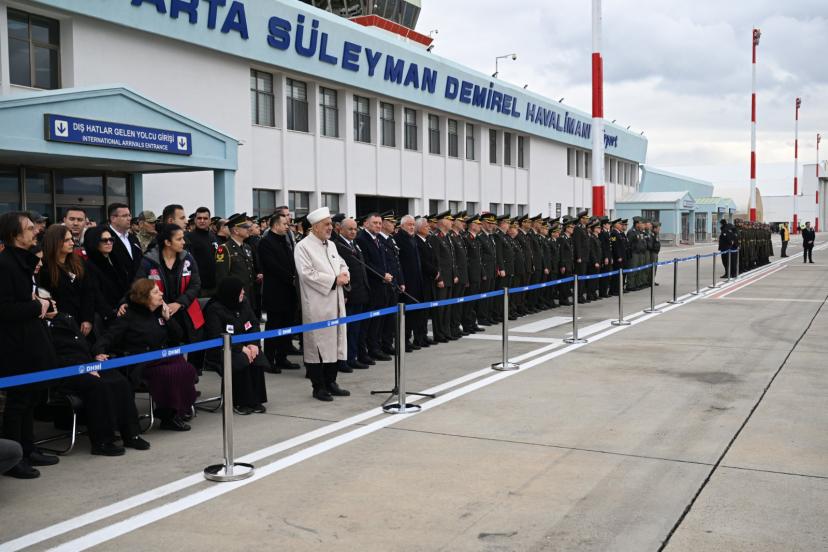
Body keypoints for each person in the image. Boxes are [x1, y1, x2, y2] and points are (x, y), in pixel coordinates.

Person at [0, 212, 60, 478]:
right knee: (18, 402)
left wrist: (42, 306)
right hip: (15, 345)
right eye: (28, 228)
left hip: (31, 340)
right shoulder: (5, 265)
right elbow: (5, 309)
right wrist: (38, 306)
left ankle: (28, 448)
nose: (35, 231)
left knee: (32, 397)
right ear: (14, 235)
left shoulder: (23, 261)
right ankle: (14, 459)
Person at [94, 279, 197, 431]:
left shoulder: (159, 313)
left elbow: (178, 336)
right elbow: (108, 336)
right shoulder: (129, 315)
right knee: (169, 373)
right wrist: (99, 352)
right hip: (142, 363)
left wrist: (168, 319)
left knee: (187, 369)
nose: (161, 293)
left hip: (163, 357)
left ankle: (178, 410)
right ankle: (169, 415)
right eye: (156, 292)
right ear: (144, 297)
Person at [47, 311, 150, 455]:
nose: (53, 302)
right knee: (98, 385)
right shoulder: (42, 327)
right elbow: (50, 357)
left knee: (120, 381)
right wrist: (81, 367)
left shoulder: (65, 319)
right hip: (65, 372)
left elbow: (81, 346)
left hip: (86, 364)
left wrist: (93, 357)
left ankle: (131, 434)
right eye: (48, 301)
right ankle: (102, 442)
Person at [294, 207, 350, 401]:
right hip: (317, 304)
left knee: (335, 344)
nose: (330, 228)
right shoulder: (303, 246)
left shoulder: (331, 245)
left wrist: (345, 274)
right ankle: (318, 387)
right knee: (317, 347)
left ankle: (331, 382)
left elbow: (342, 264)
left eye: (330, 224)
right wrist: (334, 280)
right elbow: (307, 274)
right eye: (326, 224)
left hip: (336, 302)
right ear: (315, 227)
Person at [203, 277, 268, 414]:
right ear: (231, 292)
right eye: (240, 290)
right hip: (222, 349)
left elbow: (253, 324)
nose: (243, 292)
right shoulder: (214, 309)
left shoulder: (244, 303)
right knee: (241, 359)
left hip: (245, 345)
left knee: (257, 356)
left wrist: (253, 344)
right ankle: (240, 401)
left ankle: (256, 399)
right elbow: (216, 335)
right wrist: (240, 348)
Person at [133, 224, 204, 346]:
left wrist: (179, 303)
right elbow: (139, 286)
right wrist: (161, 305)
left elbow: (195, 285)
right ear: (167, 242)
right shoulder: (149, 261)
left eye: (183, 238)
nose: (183, 242)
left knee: (192, 349)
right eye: (179, 239)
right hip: (158, 315)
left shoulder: (188, 258)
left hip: (186, 313)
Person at [259, 212, 301, 371]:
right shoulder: (266, 242)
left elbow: (291, 261)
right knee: (274, 327)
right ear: (276, 225)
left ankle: (282, 358)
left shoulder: (285, 240)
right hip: (275, 292)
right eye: (284, 224)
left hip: (289, 292)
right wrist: (291, 278)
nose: (287, 227)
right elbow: (272, 266)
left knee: (287, 326)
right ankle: (269, 360)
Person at [38, 224, 97, 338]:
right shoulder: (44, 268)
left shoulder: (78, 262)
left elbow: (88, 291)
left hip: (81, 322)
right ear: (55, 242)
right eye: (66, 240)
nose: (72, 243)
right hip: (60, 326)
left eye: (71, 239)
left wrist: (87, 319)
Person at [355, 213, 393, 360]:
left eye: (379, 223)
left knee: (378, 321)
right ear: (366, 224)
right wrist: (382, 274)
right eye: (375, 223)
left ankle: (375, 348)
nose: (378, 226)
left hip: (382, 286)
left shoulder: (378, 239)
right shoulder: (362, 239)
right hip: (371, 286)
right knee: (368, 323)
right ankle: (365, 351)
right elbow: (366, 263)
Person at [334, 217, 371, 369]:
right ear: (340, 229)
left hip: (360, 293)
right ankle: (343, 360)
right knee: (346, 330)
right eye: (350, 229)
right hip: (349, 294)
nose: (353, 232)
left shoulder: (354, 244)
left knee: (356, 329)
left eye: (355, 229)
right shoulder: (337, 245)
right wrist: (345, 294)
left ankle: (353, 357)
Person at [84, 226, 127, 330]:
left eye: (111, 239)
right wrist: (113, 313)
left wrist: (125, 303)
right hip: (107, 316)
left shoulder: (115, 259)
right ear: (95, 242)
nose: (109, 242)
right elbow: (96, 294)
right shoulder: (90, 265)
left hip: (122, 308)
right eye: (104, 240)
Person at [397, 215, 425, 351]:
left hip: (416, 281)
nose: (412, 227)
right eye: (409, 224)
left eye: (413, 224)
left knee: (413, 314)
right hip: (407, 283)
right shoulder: (399, 239)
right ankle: (403, 341)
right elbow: (399, 263)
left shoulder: (411, 238)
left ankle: (409, 338)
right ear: (402, 226)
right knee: (406, 315)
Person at [215, 213, 256, 300]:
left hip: (249, 294)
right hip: (234, 295)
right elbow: (222, 276)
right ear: (236, 230)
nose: (248, 229)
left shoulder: (247, 247)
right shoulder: (224, 248)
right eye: (245, 227)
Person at [106, 202, 143, 297]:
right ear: (113, 218)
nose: (129, 218)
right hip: (115, 293)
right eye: (125, 216)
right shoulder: (106, 238)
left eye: (129, 215)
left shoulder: (132, 238)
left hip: (136, 292)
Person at [186, 207, 219, 298]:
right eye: (199, 218)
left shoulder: (213, 236)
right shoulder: (188, 237)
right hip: (199, 287)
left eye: (205, 218)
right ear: (195, 220)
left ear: (210, 220)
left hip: (215, 285)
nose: (202, 221)